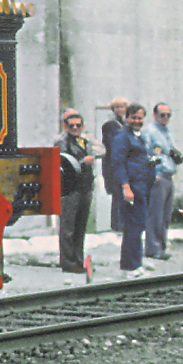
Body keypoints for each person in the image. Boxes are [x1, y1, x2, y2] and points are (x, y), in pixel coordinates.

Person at [114, 102, 155, 277]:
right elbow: (118, 163)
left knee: (138, 226)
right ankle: (130, 267)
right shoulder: (122, 136)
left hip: (141, 187)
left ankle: (135, 263)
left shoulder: (137, 136)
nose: (137, 121)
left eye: (140, 118)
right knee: (133, 227)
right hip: (132, 188)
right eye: (134, 118)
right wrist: (126, 187)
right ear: (126, 118)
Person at [54, 109, 95, 277]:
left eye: (78, 125)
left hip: (85, 187)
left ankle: (78, 259)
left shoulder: (84, 141)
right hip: (70, 189)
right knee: (68, 227)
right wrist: (83, 162)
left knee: (80, 226)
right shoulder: (62, 142)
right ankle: (68, 261)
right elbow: (64, 164)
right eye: (72, 126)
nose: (75, 128)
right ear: (65, 126)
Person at [141, 102, 179, 261]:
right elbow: (146, 154)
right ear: (155, 115)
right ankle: (153, 248)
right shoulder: (150, 132)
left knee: (165, 216)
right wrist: (153, 173)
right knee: (155, 215)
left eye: (168, 115)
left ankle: (161, 246)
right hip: (158, 176)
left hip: (168, 176)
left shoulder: (166, 131)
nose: (166, 118)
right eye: (162, 115)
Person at [99, 95, 129, 233]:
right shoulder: (111, 125)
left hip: (124, 164)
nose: (120, 109)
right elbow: (112, 146)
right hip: (114, 164)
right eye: (117, 107)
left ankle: (123, 223)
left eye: (122, 107)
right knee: (118, 195)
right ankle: (118, 225)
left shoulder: (125, 123)